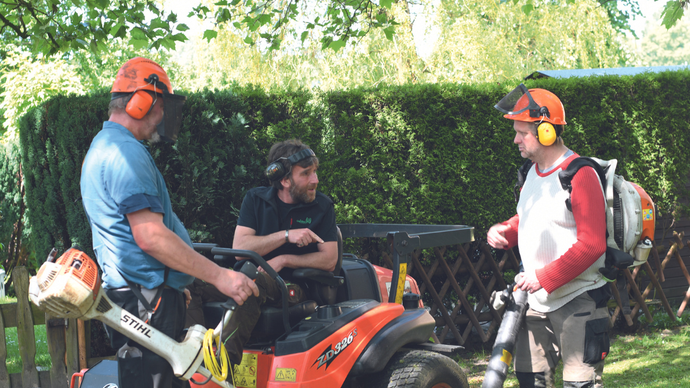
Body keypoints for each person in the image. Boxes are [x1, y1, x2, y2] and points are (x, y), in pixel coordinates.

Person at [80, 57, 259, 388]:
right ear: (141, 101)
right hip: (146, 302)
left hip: (142, 296)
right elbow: (151, 237)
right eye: (161, 106)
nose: (162, 117)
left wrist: (176, 282)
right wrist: (220, 276)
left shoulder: (102, 147)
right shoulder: (125, 154)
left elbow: (130, 241)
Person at [487, 84, 611, 388]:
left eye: (522, 133)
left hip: (578, 300)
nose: (515, 139)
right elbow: (533, 216)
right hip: (534, 302)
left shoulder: (580, 174)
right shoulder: (530, 172)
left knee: (579, 384)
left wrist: (543, 276)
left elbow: (593, 244)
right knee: (531, 381)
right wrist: (507, 229)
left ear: (546, 132)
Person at [186, 139, 338, 365]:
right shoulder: (255, 199)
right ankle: (193, 352)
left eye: (314, 172)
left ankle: (222, 366)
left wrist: (285, 259)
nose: (315, 180)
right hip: (245, 275)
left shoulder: (322, 207)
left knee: (252, 279)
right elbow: (240, 249)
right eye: (306, 174)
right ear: (284, 180)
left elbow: (330, 260)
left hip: (289, 288)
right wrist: (286, 235)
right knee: (188, 278)